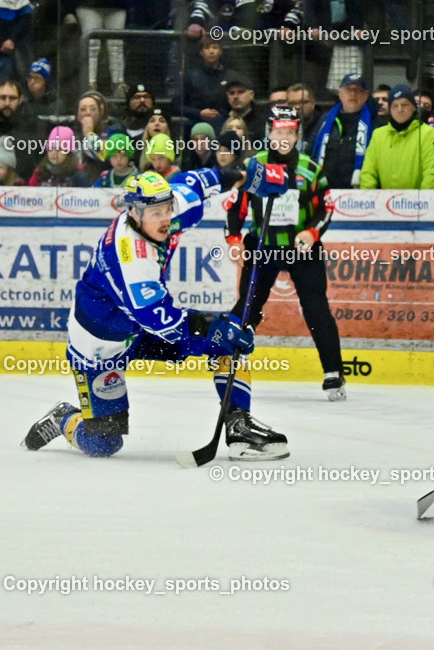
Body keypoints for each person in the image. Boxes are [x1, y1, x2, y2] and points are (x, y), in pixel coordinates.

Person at [22, 165, 291, 460]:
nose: (165, 219)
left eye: (167, 209)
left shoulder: (172, 206)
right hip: (100, 342)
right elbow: (162, 320)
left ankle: (239, 426)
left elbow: (202, 180)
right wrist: (213, 326)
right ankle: (63, 419)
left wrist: (248, 176)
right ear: (134, 214)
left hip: (140, 327)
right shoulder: (129, 259)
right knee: (104, 443)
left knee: (225, 342)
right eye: (155, 214)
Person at [225, 107, 346, 400]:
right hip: (262, 246)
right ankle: (229, 361)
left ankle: (333, 373)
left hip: (302, 248)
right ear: (269, 134)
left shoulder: (310, 168)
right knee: (249, 305)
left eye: (290, 132)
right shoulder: (253, 166)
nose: (284, 138)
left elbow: (326, 207)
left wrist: (312, 233)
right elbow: (235, 204)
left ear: (297, 135)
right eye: (279, 132)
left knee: (316, 306)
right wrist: (233, 238)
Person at [360, 84, 434, 190]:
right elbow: (368, 172)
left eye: (405, 105)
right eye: (395, 105)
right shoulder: (378, 135)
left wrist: (423, 203)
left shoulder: (430, 134)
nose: (400, 109)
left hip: (419, 203)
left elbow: (433, 175)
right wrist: (370, 199)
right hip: (384, 204)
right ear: (390, 110)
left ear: (414, 107)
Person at [310, 73, 378, 188]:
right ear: (340, 94)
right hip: (325, 190)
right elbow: (311, 151)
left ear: (366, 95)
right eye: (348, 89)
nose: (353, 94)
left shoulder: (376, 124)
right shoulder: (325, 121)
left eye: (358, 90)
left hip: (361, 194)